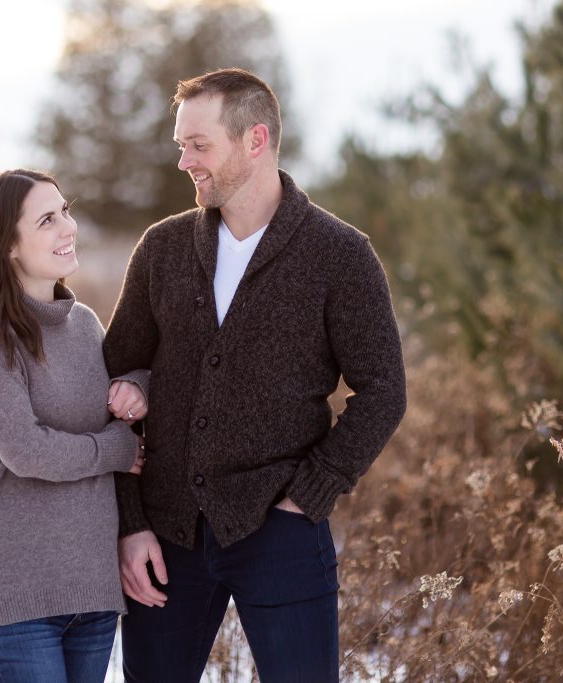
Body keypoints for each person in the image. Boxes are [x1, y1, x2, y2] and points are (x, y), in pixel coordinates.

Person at [103, 68, 408, 682]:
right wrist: (131, 525)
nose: (185, 161)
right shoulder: (161, 248)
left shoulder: (340, 254)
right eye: (180, 145)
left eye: (199, 145)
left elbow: (383, 389)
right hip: (167, 534)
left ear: (255, 139)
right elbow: (112, 387)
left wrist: (311, 493)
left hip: (281, 528)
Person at [0, 169, 150, 682]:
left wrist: (139, 384)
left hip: (92, 587)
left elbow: (128, 386)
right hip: (16, 591)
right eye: (47, 220)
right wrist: (117, 451)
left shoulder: (85, 324)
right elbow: (27, 451)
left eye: (66, 212)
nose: (67, 227)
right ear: (7, 244)